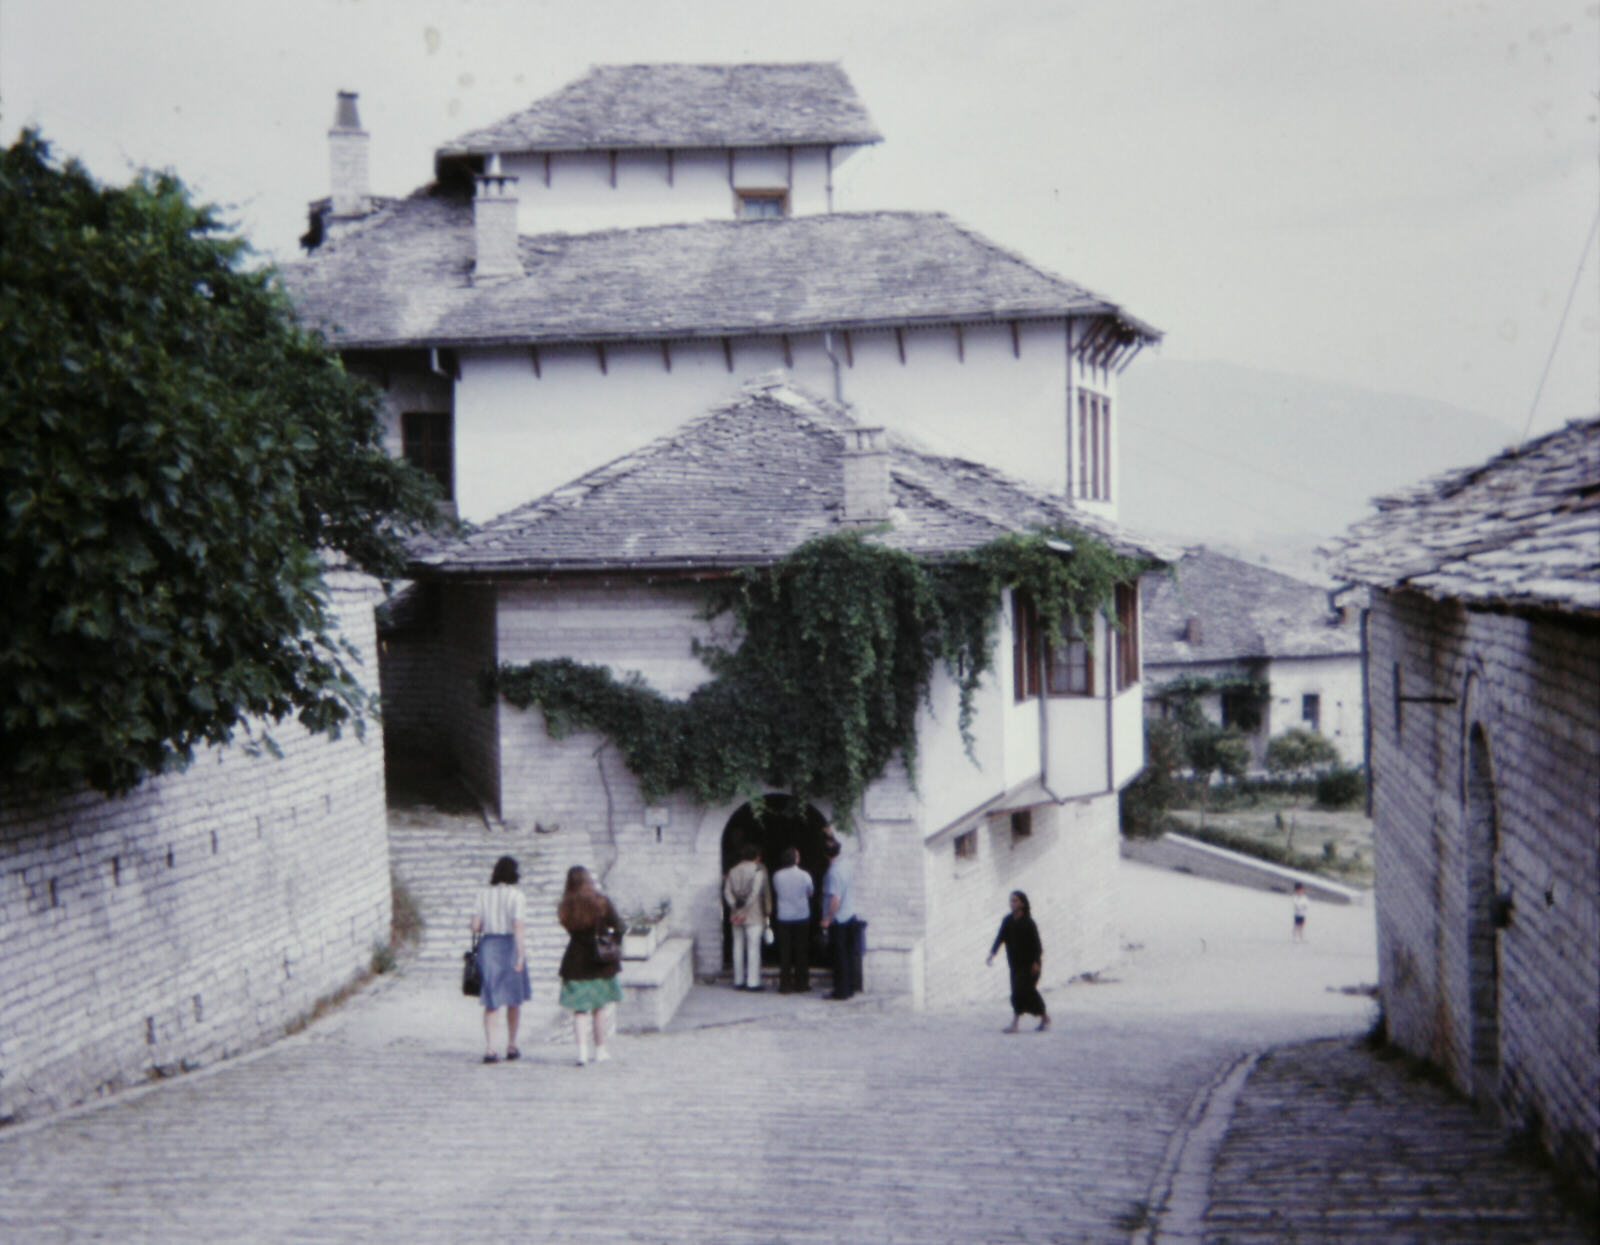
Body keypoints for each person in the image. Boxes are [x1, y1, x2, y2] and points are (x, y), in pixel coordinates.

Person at [557, 865, 624, 1066]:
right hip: (599, 961)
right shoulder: (601, 902)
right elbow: (619, 926)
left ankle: (581, 1052)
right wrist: (612, 941)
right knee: (599, 1008)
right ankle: (600, 1049)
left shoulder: (565, 906)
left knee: (580, 1010)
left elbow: (570, 929)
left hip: (576, 960)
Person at [470, 856, 531, 1063]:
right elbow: (518, 927)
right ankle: (512, 1045)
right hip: (510, 946)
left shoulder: (483, 894)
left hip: (488, 947)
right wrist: (521, 955)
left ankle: (490, 1048)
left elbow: (475, 926)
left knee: (491, 1000)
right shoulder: (517, 896)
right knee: (514, 999)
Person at [987, 890, 1049, 1032]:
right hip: (1015, 964)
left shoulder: (1029, 923)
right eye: (1011, 900)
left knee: (1021, 991)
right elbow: (1000, 937)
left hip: (1029, 965)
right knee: (1021, 991)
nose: (1012, 903)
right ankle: (1044, 1016)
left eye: (1015, 900)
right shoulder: (1007, 921)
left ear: (1022, 903)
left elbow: (1037, 945)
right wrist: (992, 953)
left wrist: (1035, 962)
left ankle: (1015, 1023)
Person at [723, 843, 773, 991]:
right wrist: (745, 909)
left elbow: (727, 892)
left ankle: (738, 980)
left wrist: (735, 907)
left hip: (735, 914)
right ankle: (752, 982)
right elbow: (755, 894)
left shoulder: (733, 871)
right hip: (753, 913)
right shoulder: (758, 872)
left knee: (737, 946)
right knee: (753, 948)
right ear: (756, 857)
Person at [820, 835, 860, 1000]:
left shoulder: (834, 872)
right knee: (848, 954)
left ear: (825, 855)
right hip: (850, 914)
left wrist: (828, 918)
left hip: (839, 918)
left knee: (839, 956)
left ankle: (841, 991)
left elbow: (835, 898)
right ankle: (850, 987)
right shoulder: (846, 865)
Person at [771, 847, 815, 993]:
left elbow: (777, 891)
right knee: (801, 950)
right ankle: (802, 983)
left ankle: (785, 984)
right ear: (796, 859)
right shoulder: (804, 875)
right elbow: (811, 892)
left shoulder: (777, 875)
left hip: (784, 916)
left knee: (785, 951)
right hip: (801, 915)